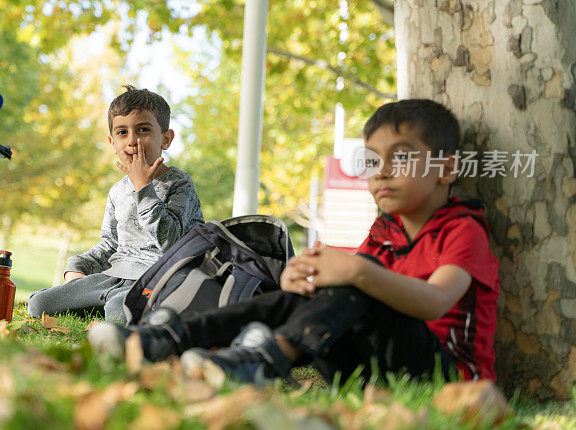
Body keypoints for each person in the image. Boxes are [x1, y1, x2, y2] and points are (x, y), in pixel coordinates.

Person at [88, 99, 500, 386]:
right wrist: (304, 279)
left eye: (402, 157)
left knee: (358, 282)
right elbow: (349, 289)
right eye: (372, 160)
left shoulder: (462, 229)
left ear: (445, 169)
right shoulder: (385, 231)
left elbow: (434, 301)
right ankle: (168, 339)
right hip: (369, 362)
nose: (382, 172)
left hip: (443, 375)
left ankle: (263, 360)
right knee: (308, 294)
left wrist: (354, 270)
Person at [28, 85, 204, 323]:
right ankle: (100, 303)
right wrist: (77, 266)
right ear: (112, 142)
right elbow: (111, 243)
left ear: (166, 138)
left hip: (158, 277)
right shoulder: (117, 191)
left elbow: (170, 241)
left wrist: (144, 188)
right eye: (122, 133)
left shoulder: (179, 183)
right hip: (114, 275)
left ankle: (119, 310)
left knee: (117, 311)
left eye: (143, 130)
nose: (132, 141)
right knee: (40, 304)